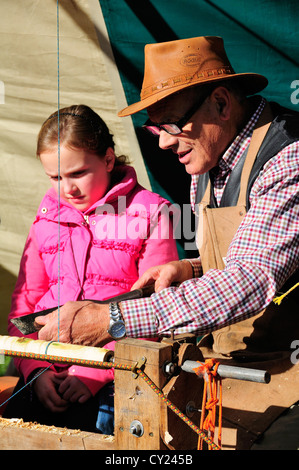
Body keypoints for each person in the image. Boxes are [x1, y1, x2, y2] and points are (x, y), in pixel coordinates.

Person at [35, 37, 299, 449]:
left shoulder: (289, 157)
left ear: (221, 103)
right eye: (155, 128)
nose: (162, 142)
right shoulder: (209, 155)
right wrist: (189, 267)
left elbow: (251, 277)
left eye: (172, 124)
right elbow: (247, 252)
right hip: (234, 362)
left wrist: (113, 320)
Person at [4, 104, 179, 434]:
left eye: (77, 173)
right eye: (55, 177)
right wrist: (33, 368)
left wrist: (98, 372)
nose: (67, 189)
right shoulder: (45, 219)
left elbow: (154, 308)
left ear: (109, 160)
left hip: (116, 380)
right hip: (44, 377)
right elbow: (24, 306)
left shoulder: (151, 213)